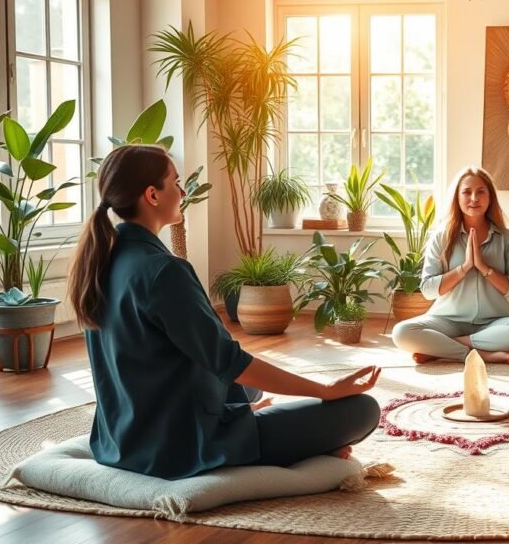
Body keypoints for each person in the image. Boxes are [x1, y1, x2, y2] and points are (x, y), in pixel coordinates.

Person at [68, 145, 382, 480]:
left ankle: (262, 423)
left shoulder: (100, 262)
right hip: (181, 448)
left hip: (121, 440)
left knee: (250, 391)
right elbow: (230, 362)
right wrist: (325, 390)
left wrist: (241, 404)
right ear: (152, 195)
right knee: (362, 410)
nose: (183, 191)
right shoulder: (163, 271)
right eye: (175, 182)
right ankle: (290, 449)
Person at [392, 167, 509, 364]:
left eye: (481, 192)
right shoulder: (441, 237)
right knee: (401, 332)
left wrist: (484, 268)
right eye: (467, 192)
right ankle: (480, 354)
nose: (474, 198)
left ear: (490, 197)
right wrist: (465, 267)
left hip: (495, 321)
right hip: (446, 320)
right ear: (457, 197)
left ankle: (444, 347)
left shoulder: (507, 238)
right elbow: (428, 290)